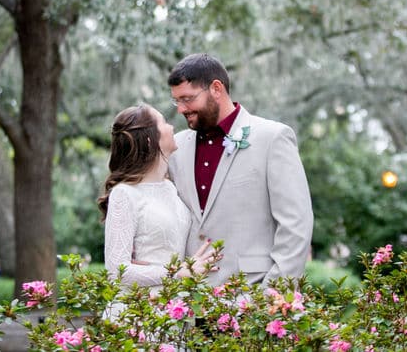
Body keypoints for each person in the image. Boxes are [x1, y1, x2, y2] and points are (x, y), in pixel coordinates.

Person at [166, 53, 314, 287]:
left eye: (188, 98)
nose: (181, 109)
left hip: (252, 296)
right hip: (190, 305)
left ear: (216, 88)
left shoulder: (272, 138)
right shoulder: (175, 147)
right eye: (177, 101)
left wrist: (272, 297)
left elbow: (296, 225)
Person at [98, 104, 218, 290]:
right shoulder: (125, 193)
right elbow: (116, 272)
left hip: (172, 307)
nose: (172, 127)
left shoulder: (171, 188)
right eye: (163, 123)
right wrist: (176, 272)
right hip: (138, 310)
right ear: (149, 140)